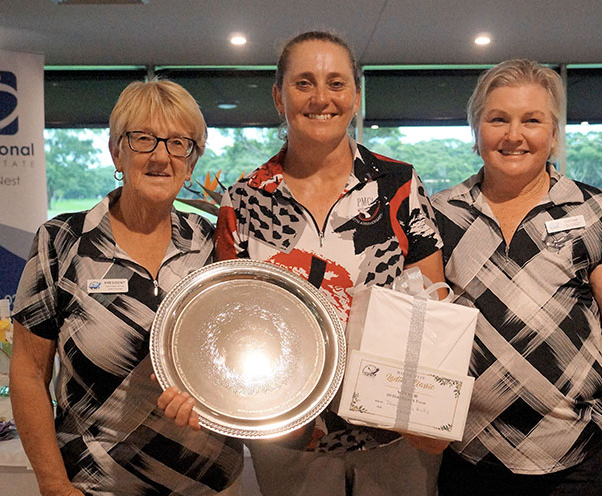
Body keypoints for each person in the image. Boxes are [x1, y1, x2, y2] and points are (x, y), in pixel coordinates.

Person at [160, 31, 448, 496]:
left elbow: (433, 314)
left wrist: (431, 417)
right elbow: (227, 323)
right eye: (303, 83)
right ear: (279, 97)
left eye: (336, 83)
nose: (320, 98)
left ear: (355, 96)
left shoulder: (398, 184)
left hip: (395, 439)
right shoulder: (244, 200)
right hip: (289, 443)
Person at [431, 59, 602, 496]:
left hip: (577, 458)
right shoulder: (440, 214)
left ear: (554, 134)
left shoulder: (595, 211)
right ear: (476, 132)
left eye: (532, 120)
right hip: (466, 456)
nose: (514, 135)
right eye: (498, 119)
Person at [9, 79, 243, 496]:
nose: (161, 156)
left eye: (179, 143)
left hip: (207, 482)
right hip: (97, 484)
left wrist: (213, 391)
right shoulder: (63, 241)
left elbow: (238, 350)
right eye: (143, 139)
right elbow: (28, 372)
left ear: (191, 163)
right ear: (116, 151)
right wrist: (53, 483)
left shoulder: (213, 244)